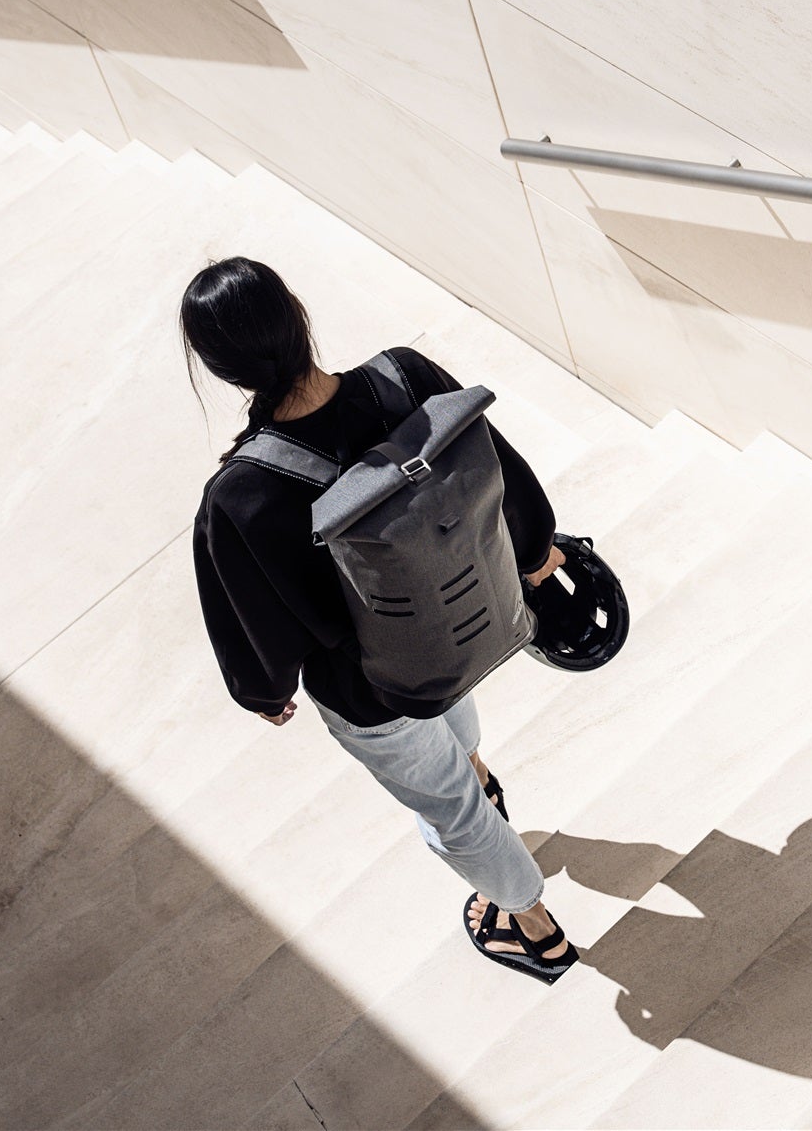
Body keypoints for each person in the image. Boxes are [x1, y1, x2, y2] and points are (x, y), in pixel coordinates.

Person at [180, 257, 577, 981]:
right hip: (470, 621)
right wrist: (534, 547)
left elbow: (256, 624)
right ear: (296, 311)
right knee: (445, 693)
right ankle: (477, 767)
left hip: (371, 689)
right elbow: (500, 468)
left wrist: (264, 694)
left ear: (220, 369)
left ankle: (531, 923)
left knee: (452, 810)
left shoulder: (241, 494)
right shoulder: (406, 378)